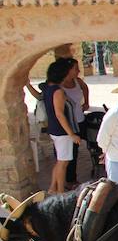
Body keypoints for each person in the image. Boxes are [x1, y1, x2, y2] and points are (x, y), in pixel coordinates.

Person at [43, 60, 81, 194]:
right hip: (62, 132)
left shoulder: (48, 88)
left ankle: (53, 188)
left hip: (55, 130)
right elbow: (60, 113)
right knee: (63, 163)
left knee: (60, 161)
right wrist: (71, 134)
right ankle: (60, 192)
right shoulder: (58, 91)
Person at [60, 58, 90, 187]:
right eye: (75, 68)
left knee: (94, 142)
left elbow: (85, 88)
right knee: (72, 153)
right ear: (68, 70)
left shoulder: (77, 81)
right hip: (70, 124)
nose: (78, 71)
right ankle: (70, 180)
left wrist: (87, 102)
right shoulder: (59, 86)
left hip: (80, 119)